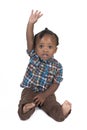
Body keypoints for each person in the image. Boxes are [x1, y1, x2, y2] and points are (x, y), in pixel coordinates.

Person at [18, 10, 72, 122]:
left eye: (50, 47)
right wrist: (30, 23)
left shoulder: (57, 66)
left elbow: (56, 84)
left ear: (55, 50)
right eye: (41, 46)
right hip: (30, 90)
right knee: (26, 100)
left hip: (47, 93)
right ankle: (26, 107)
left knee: (52, 105)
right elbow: (29, 39)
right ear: (35, 47)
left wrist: (44, 95)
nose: (45, 49)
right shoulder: (34, 57)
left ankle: (61, 111)